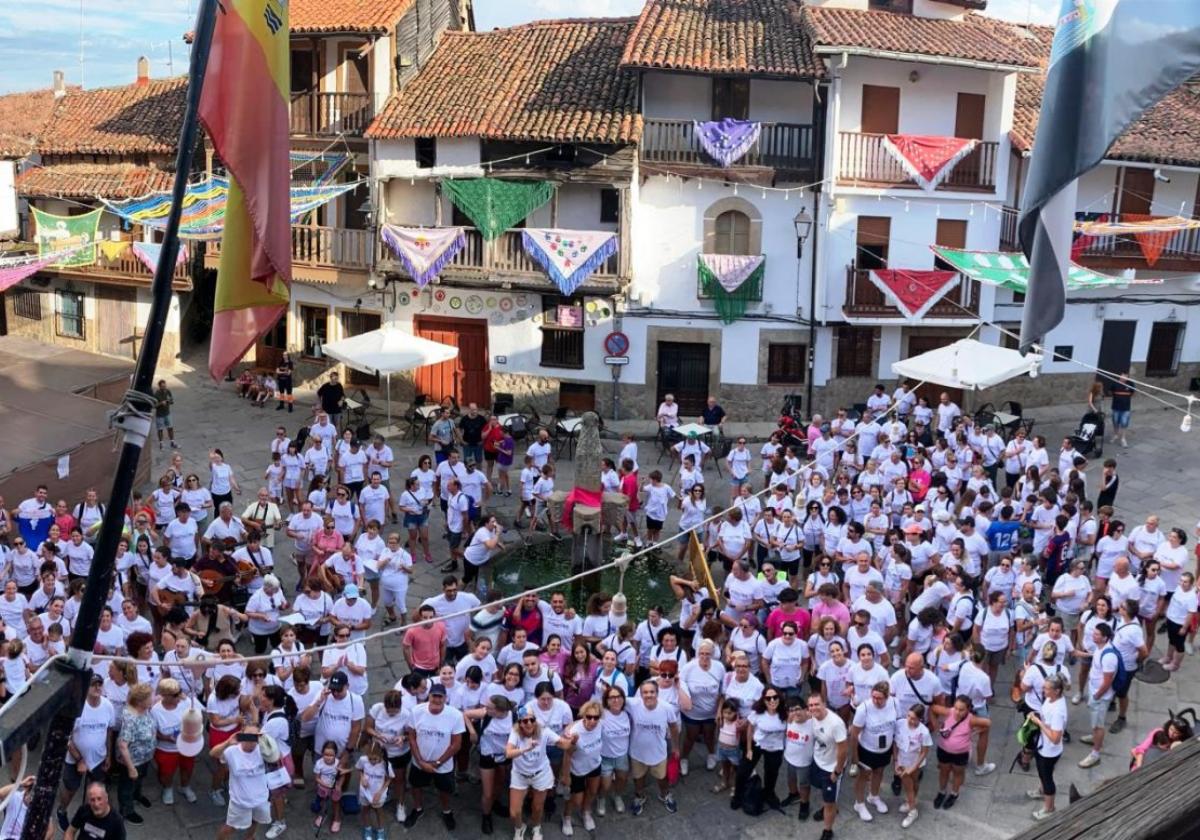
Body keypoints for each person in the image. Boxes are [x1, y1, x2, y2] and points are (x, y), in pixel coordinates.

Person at [403, 683, 465, 831]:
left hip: (443, 765)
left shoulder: (455, 715)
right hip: (420, 762)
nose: (436, 700)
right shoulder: (416, 711)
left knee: (444, 790)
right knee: (416, 786)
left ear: (445, 698)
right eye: (434, 696)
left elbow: (456, 744)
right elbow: (411, 737)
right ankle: (418, 809)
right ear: (428, 696)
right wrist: (420, 761)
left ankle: (446, 811)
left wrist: (437, 763)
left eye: (440, 697)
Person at [627, 679, 680, 815]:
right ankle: (640, 796)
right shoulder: (632, 704)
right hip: (637, 752)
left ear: (657, 693)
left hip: (658, 752)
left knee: (662, 778)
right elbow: (613, 700)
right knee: (638, 778)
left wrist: (675, 747)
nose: (648, 695)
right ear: (640, 693)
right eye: (645, 692)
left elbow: (674, 727)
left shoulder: (667, 708)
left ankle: (665, 794)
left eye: (652, 692)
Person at [211, 724, 272, 840]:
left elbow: (276, 757)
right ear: (242, 735)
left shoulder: (263, 749)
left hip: (261, 798)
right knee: (230, 828)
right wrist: (228, 742)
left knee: (256, 820)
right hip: (240, 801)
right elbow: (213, 753)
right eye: (248, 735)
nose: (251, 740)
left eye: (255, 736)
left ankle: (249, 837)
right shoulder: (231, 751)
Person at [929, 696, 990, 811]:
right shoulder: (949, 712)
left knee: (958, 773)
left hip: (961, 754)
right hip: (943, 750)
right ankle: (941, 792)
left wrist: (975, 732)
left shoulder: (971, 719)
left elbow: (987, 723)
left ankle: (954, 794)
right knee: (944, 771)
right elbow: (932, 708)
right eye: (956, 708)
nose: (957, 712)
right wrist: (936, 726)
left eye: (961, 710)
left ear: (968, 709)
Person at [806, 692, 847, 840]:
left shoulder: (835, 724)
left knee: (830, 801)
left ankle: (828, 830)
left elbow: (843, 750)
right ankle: (826, 807)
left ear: (824, 704)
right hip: (818, 761)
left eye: (817, 704)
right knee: (821, 791)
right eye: (810, 705)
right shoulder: (813, 716)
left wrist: (837, 771)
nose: (813, 707)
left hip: (832, 767)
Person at [1027, 674, 1067, 820]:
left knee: (1047, 777)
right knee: (1043, 774)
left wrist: (1039, 723)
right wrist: (1038, 715)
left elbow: (1055, 739)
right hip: (1043, 746)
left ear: (1056, 691)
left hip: (1050, 751)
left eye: (1046, 688)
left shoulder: (1058, 711)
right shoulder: (1052, 700)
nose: (1043, 690)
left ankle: (1049, 808)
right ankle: (1041, 790)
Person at [1109, 373, 1134, 448]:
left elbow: (1132, 393)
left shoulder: (1130, 384)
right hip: (1116, 407)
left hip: (1126, 408)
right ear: (1120, 376)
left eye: (1126, 376)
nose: (1125, 377)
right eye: (1123, 375)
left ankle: (1123, 438)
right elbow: (1110, 392)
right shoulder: (1114, 383)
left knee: (1124, 422)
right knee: (1115, 422)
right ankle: (1116, 435)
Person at [154, 378, 178, 450]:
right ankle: (161, 444)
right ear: (160, 387)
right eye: (163, 386)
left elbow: (172, 401)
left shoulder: (168, 391)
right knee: (160, 429)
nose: (164, 388)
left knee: (170, 428)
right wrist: (161, 403)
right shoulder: (156, 394)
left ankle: (172, 442)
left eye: (165, 386)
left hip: (167, 413)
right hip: (160, 415)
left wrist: (169, 401)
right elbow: (154, 406)